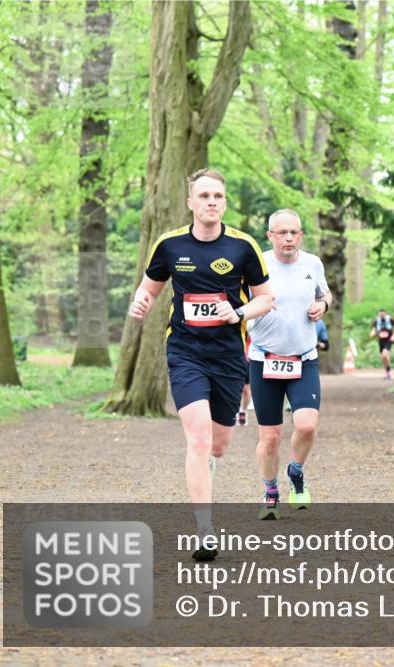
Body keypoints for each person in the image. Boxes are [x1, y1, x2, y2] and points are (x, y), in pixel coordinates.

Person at [128, 168, 273, 561]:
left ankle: (209, 467)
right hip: (185, 353)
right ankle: (205, 530)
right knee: (197, 438)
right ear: (191, 202)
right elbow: (150, 286)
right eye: (204, 195)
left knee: (219, 446)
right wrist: (141, 301)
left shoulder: (243, 247)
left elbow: (266, 299)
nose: (211, 202)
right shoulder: (170, 244)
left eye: (218, 196)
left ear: (224, 203)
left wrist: (238, 312)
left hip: (227, 357)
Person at [247, 209, 332, 520]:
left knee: (307, 426)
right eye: (281, 232)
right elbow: (242, 303)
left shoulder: (313, 264)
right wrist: (253, 310)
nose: (288, 238)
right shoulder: (258, 266)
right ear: (269, 236)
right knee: (270, 437)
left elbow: (327, 294)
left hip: (303, 359)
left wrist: (322, 305)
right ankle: (270, 492)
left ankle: (296, 472)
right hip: (264, 360)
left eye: (293, 232)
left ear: (300, 235)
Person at [369, 310, 394, 379]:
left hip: (389, 340)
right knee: (383, 357)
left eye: (383, 315)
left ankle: (389, 371)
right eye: (380, 315)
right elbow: (374, 329)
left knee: (385, 355)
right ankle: (388, 372)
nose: (382, 316)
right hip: (381, 341)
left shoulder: (390, 319)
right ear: (378, 315)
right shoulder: (376, 321)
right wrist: (372, 333)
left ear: (385, 314)